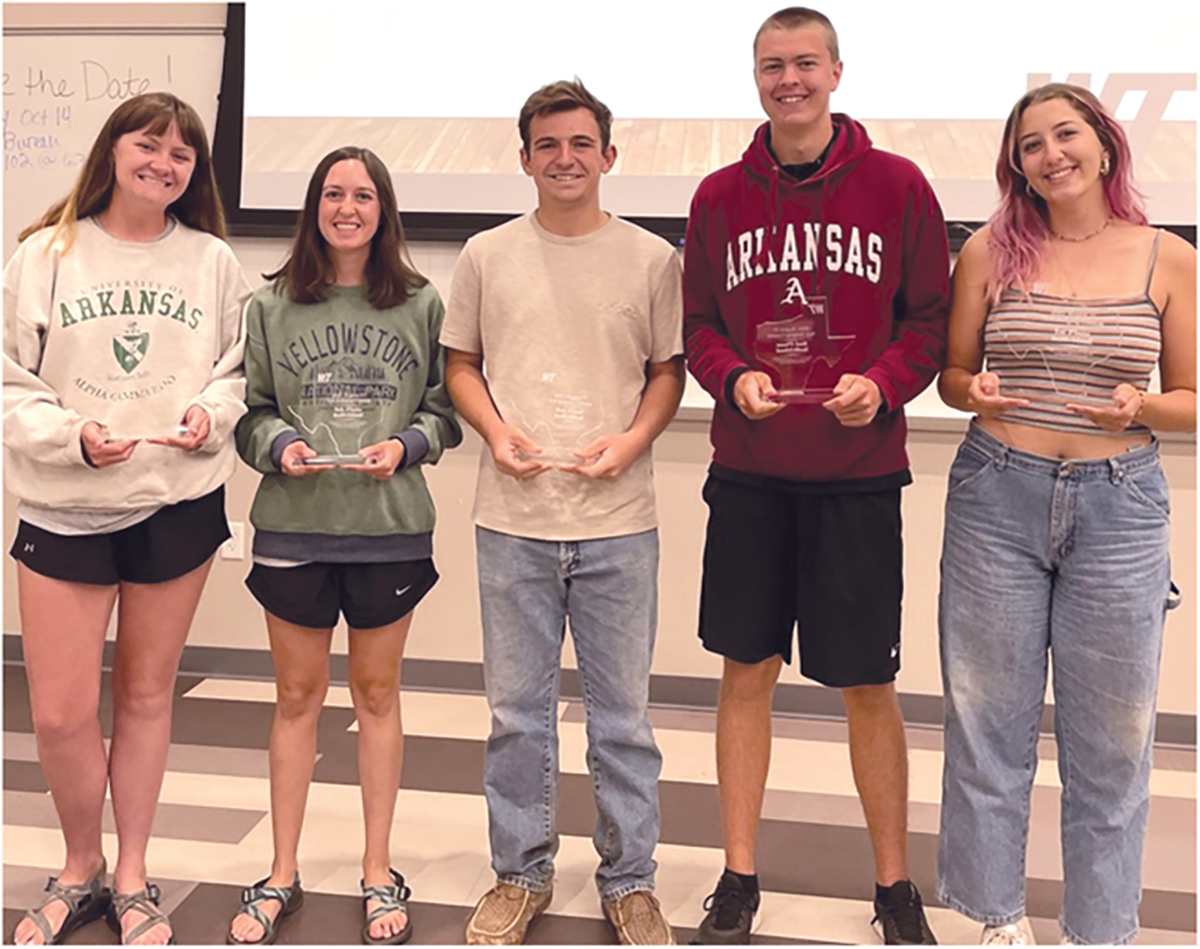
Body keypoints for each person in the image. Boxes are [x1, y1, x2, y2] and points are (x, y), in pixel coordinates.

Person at [683, 7, 949, 945]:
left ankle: (893, 886)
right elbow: (701, 330)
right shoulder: (718, 196)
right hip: (750, 473)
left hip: (857, 476)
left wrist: (881, 386)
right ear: (755, 77)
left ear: (837, 71)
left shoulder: (900, 185)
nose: (787, 79)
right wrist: (732, 375)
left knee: (867, 685)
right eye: (770, 66)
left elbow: (928, 324)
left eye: (804, 63)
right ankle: (739, 874)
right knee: (743, 670)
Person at [936, 83, 1196, 947]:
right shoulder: (986, 252)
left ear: (1105, 144)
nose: (1052, 154)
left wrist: (1142, 408)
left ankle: (1097, 929)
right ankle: (998, 919)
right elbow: (952, 376)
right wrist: (971, 388)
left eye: (1067, 134)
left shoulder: (1168, 257)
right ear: (1017, 165)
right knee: (987, 722)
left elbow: (1192, 400)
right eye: (1032, 144)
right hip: (995, 496)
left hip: (1120, 508)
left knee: (1114, 744)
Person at [3, 92, 250, 946]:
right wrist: (74, 436)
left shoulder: (214, 260)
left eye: (182, 154)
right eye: (149, 146)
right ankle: (80, 866)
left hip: (174, 503)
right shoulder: (46, 254)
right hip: (65, 507)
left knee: (146, 696)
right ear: (113, 152)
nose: (164, 164)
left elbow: (236, 374)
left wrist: (207, 419)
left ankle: (134, 872)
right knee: (63, 713)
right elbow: (8, 383)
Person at [441, 80, 684, 946]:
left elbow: (667, 371)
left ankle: (631, 881)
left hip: (620, 520)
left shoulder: (653, 259)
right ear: (525, 159)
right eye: (549, 145)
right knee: (516, 715)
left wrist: (631, 440)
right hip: (512, 518)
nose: (566, 158)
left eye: (582, 143)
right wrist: (496, 430)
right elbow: (459, 362)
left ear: (609, 156)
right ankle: (520, 872)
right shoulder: (485, 254)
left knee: (624, 720)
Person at [226, 146, 461, 946]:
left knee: (376, 696)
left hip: (389, 530)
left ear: (384, 207)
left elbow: (445, 410)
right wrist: (280, 440)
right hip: (294, 527)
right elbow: (249, 409)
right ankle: (282, 869)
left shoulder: (424, 302)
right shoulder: (270, 305)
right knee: (296, 698)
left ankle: (376, 867)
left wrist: (408, 448)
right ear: (313, 206)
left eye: (363, 194)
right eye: (333, 193)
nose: (348, 207)